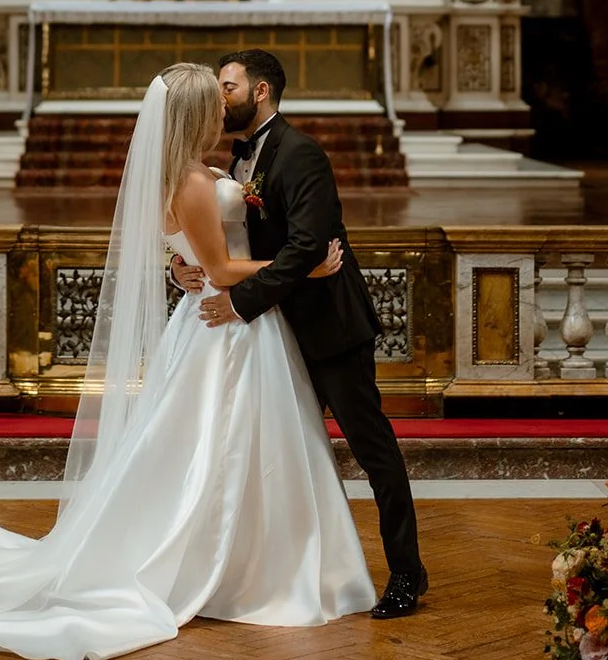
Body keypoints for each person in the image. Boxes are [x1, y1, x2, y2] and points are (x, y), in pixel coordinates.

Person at [0, 62, 375, 660]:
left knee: (228, 446)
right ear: (195, 114)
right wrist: (305, 266)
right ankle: (247, 571)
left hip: (217, 320)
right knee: (228, 445)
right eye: (214, 103)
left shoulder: (189, 174)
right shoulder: (195, 183)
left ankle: (248, 560)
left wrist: (184, 268)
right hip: (226, 327)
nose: (223, 112)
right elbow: (223, 271)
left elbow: (197, 256)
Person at [172, 49, 427, 619]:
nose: (220, 98)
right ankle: (275, 570)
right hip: (272, 331)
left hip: (326, 324)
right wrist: (182, 266)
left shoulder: (301, 152)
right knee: (275, 452)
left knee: (372, 448)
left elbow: (309, 247)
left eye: (228, 88)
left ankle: (408, 573)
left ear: (260, 91)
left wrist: (238, 301)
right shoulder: (231, 159)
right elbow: (216, 235)